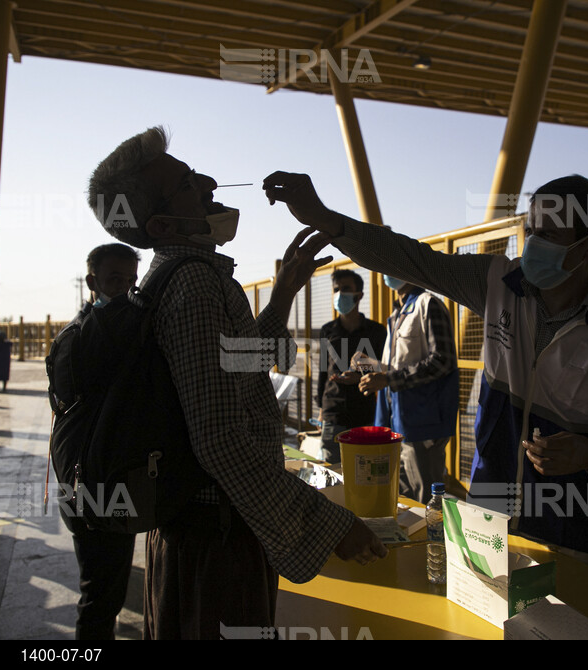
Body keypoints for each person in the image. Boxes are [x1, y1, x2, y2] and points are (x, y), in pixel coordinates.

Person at [262, 171, 588, 581]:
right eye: (529, 230)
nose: (532, 244)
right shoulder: (499, 284)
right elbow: (414, 260)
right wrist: (326, 218)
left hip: (580, 535)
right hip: (492, 518)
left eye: (549, 235)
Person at [87, 127, 386, 639]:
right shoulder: (196, 285)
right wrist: (329, 525)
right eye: (187, 183)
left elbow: (236, 365)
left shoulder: (178, 278)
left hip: (197, 530)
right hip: (216, 538)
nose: (209, 182)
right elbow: (220, 438)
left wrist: (284, 294)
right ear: (163, 222)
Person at [60, 242, 140, 640]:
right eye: (115, 280)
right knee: (102, 595)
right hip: (99, 481)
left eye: (131, 281)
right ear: (93, 281)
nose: (125, 288)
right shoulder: (106, 331)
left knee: (100, 585)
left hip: (78, 476)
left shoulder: (73, 330)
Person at [354, 275, 458, 505]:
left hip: (423, 423)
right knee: (403, 499)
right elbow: (402, 365)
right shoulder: (397, 314)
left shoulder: (428, 305)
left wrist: (388, 378)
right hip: (398, 422)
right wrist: (372, 368)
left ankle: (435, 541)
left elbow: (443, 361)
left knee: (427, 501)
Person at [315, 269, 386, 464]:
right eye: (336, 289)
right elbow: (322, 371)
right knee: (332, 473)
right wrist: (321, 410)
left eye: (345, 289)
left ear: (359, 295)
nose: (339, 294)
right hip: (333, 415)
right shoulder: (327, 331)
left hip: (365, 414)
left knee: (366, 473)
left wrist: (361, 377)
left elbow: (385, 369)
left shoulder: (376, 331)